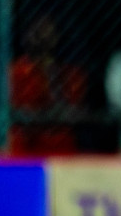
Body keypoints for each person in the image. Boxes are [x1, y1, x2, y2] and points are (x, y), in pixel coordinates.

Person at [10, 14, 89, 155]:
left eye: (47, 29)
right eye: (37, 30)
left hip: (61, 150)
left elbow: (72, 113)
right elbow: (23, 115)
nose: (42, 36)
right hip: (24, 150)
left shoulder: (72, 74)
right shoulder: (16, 72)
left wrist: (51, 72)